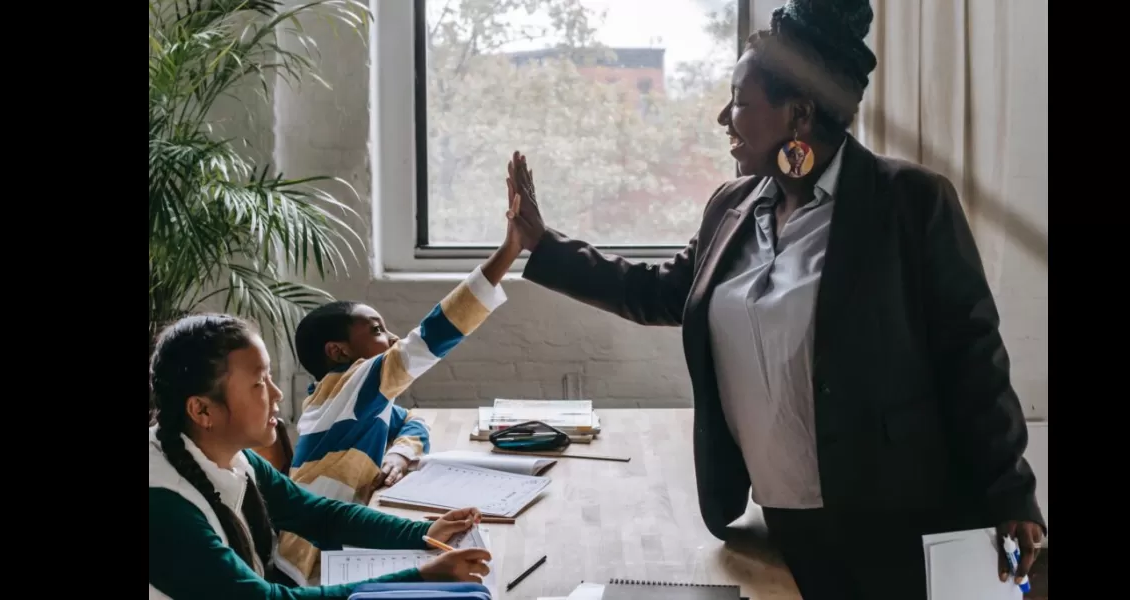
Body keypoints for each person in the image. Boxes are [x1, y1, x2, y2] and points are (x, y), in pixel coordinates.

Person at [502, 1, 1044, 598]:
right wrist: (542, 245)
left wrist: (1011, 489)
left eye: (739, 100)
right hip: (780, 522)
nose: (722, 117)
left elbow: (972, 357)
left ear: (800, 113)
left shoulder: (910, 205)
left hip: (894, 526)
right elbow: (660, 292)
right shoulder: (731, 209)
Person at [275, 181, 525, 582]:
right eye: (376, 331)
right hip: (310, 563)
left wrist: (401, 454)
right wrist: (508, 252)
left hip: (339, 540)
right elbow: (430, 338)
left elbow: (413, 421)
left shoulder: (352, 400)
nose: (390, 338)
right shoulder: (348, 385)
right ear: (338, 352)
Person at [147, 314, 493, 599]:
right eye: (258, 383)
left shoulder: (231, 456)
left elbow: (317, 515)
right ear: (201, 410)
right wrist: (418, 578)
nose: (277, 393)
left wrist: (423, 531)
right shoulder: (164, 504)